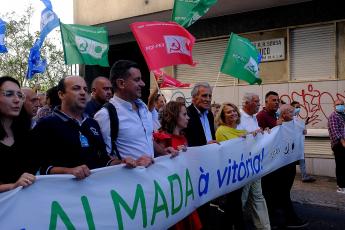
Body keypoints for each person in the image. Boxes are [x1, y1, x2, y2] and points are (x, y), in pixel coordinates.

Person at [32, 76, 131, 179]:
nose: (83, 93)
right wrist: (69, 171)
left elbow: (103, 159)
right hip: (63, 192)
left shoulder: (92, 123)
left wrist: (121, 163)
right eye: (76, 88)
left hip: (94, 191)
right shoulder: (46, 125)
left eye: (85, 89)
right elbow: (40, 168)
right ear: (61, 94)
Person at [95, 60, 172, 167]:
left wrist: (163, 152)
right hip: (127, 182)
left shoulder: (144, 108)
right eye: (137, 80)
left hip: (151, 180)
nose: (143, 84)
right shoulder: (106, 115)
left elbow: (147, 138)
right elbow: (101, 157)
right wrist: (128, 163)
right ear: (121, 83)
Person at [257, 91, 308, 229]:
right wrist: (275, 127)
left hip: (282, 161)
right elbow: (262, 137)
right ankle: (289, 219)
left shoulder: (276, 115)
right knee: (279, 191)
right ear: (266, 101)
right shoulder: (261, 116)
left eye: (277, 100)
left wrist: (300, 129)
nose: (276, 102)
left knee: (276, 192)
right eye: (273, 100)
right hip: (271, 163)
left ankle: (272, 217)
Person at [154, 101, 202, 230]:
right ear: (174, 116)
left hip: (185, 193)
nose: (188, 117)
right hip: (172, 198)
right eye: (184, 114)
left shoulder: (183, 138)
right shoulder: (162, 139)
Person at [184, 82, 217, 229]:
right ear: (194, 97)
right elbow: (185, 142)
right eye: (204, 95)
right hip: (193, 166)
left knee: (206, 200)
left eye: (210, 96)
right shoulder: (186, 114)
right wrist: (204, 148)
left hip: (208, 164)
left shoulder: (209, 114)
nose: (208, 99)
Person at [238, 93, 271, 230]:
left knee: (258, 196)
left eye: (259, 101)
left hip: (255, 164)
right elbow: (238, 138)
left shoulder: (253, 118)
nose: (259, 104)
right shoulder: (238, 117)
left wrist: (263, 131)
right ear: (246, 103)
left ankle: (264, 226)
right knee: (242, 199)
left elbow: (255, 134)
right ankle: (235, 223)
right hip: (244, 166)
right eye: (256, 102)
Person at [0, 76, 36, 192]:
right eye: (9, 94)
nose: (17, 100)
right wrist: (13, 186)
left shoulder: (27, 136)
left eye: (20, 96)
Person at [215, 102, 246, 230]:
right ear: (223, 116)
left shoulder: (243, 131)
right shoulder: (221, 130)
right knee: (233, 206)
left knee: (235, 205)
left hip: (242, 173)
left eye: (234, 110)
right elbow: (226, 152)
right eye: (228, 112)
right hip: (230, 174)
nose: (232, 113)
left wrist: (259, 134)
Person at [291, 101, 315, 183]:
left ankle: (304, 175)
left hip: (298, 144)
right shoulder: (290, 118)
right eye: (297, 107)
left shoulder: (296, 118)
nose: (298, 109)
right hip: (292, 145)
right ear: (292, 108)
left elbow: (301, 126)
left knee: (301, 159)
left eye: (299, 107)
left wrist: (307, 120)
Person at [327, 99, 345, 194]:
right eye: (338, 104)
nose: (340, 106)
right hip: (339, 145)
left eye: (342, 104)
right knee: (341, 165)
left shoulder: (343, 115)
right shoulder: (333, 116)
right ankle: (340, 187)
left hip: (343, 144)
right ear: (334, 106)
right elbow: (335, 131)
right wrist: (343, 142)